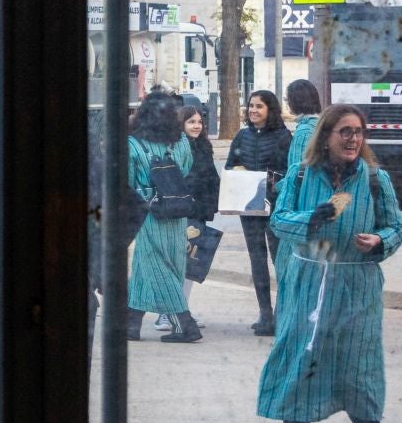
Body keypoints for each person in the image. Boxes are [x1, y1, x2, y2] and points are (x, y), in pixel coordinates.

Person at [259, 104, 402, 423]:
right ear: (326, 136)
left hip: (356, 286)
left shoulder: (376, 179)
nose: (353, 138)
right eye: (345, 131)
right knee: (298, 367)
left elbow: (395, 228)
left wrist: (379, 241)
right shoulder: (301, 174)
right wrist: (312, 218)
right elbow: (278, 219)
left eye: (358, 131)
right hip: (308, 282)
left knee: (358, 371)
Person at [125, 92, 200, 344]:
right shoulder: (179, 141)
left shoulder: (132, 143)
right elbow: (187, 167)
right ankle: (131, 323)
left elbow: (126, 181)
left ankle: (184, 324)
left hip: (148, 213)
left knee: (157, 267)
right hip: (177, 211)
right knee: (150, 267)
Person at [225, 90, 292, 335]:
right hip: (249, 206)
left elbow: (290, 171)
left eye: (259, 106)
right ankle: (265, 313)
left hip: (275, 206)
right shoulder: (242, 136)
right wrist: (238, 170)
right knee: (257, 259)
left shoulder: (284, 136)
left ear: (269, 109)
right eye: (251, 106)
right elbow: (230, 165)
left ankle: (283, 313)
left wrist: (274, 182)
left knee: (279, 259)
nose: (253, 110)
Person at [163, 105, 221, 330]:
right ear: (181, 124)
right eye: (191, 122)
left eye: (199, 121)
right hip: (182, 213)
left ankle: (182, 309)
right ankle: (167, 313)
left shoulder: (204, 146)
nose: (197, 126)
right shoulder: (176, 147)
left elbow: (210, 178)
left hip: (198, 213)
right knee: (177, 264)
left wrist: (213, 203)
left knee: (192, 265)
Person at [275, 79, 324, 278]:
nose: (287, 103)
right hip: (319, 203)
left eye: (288, 98)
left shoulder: (303, 133)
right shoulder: (322, 127)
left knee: (288, 267)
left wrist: (276, 186)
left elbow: (296, 175)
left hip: (301, 207)